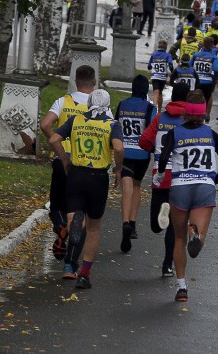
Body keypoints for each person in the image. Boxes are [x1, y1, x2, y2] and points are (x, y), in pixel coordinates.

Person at [155, 90, 218, 301]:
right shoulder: (211, 134)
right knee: (198, 239)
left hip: (180, 187)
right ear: (202, 113)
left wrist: (160, 174)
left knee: (178, 239)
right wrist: (211, 181)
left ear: (186, 112)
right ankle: (195, 232)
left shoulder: (175, 133)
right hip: (203, 189)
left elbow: (163, 159)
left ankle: (181, 288)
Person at [49, 89, 124, 289]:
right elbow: (118, 148)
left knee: (74, 213)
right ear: (108, 107)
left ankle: (75, 224)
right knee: (94, 227)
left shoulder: (75, 119)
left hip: (75, 174)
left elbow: (54, 139)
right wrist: (118, 168)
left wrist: (65, 159)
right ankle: (84, 274)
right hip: (98, 178)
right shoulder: (112, 125)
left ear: (88, 103)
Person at [40, 65, 96, 279]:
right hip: (85, 165)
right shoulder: (97, 106)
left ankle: (61, 225)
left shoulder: (63, 102)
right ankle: (71, 263)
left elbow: (45, 125)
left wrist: (59, 147)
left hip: (62, 159)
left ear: (74, 80)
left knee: (57, 206)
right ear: (95, 82)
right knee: (80, 214)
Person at [138, 82, 191, 277]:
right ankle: (167, 265)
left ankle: (159, 218)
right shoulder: (189, 121)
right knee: (176, 228)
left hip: (160, 175)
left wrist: (156, 152)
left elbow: (143, 140)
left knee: (155, 225)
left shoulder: (160, 118)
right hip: (180, 177)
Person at [115, 75, 156, 253]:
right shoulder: (149, 107)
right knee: (137, 186)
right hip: (142, 153)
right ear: (145, 90)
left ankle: (124, 223)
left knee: (127, 188)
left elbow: (115, 127)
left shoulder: (122, 105)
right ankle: (132, 223)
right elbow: (153, 129)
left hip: (125, 152)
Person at [189, 36, 218, 122]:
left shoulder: (196, 55)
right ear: (212, 45)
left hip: (196, 81)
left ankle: (195, 114)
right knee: (208, 97)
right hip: (208, 82)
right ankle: (207, 113)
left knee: (196, 98)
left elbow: (189, 66)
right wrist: (215, 78)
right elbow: (216, 69)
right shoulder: (213, 57)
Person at [147, 39, 174, 112]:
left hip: (155, 76)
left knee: (156, 93)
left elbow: (149, 66)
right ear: (165, 47)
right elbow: (170, 65)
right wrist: (172, 72)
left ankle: (154, 109)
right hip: (163, 77)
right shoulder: (168, 55)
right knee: (160, 93)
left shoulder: (153, 55)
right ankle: (158, 110)